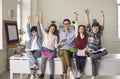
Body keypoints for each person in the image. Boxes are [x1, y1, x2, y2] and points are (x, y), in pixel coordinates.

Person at [85, 9, 108, 79]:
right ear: (92, 28)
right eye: (94, 28)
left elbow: (103, 26)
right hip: (91, 51)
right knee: (93, 61)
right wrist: (87, 15)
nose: (96, 29)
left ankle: (91, 58)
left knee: (106, 51)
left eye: (97, 28)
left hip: (98, 51)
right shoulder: (89, 32)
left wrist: (103, 17)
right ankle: (93, 75)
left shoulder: (99, 33)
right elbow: (87, 24)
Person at [38, 13, 58, 79]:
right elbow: (41, 25)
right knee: (43, 60)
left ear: (55, 30)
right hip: (46, 50)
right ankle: (42, 74)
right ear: (49, 28)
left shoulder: (55, 36)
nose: (52, 29)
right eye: (51, 28)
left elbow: (55, 46)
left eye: (54, 29)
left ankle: (51, 75)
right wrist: (41, 16)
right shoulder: (45, 34)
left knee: (50, 59)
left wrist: (60, 42)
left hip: (52, 51)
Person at [74, 12, 87, 79]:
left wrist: (84, 50)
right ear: (78, 30)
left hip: (83, 51)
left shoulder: (85, 36)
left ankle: (80, 73)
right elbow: (76, 25)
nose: (81, 30)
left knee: (83, 59)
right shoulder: (76, 35)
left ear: (84, 30)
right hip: (76, 50)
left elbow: (86, 45)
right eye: (80, 29)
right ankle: (80, 72)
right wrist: (76, 17)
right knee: (77, 59)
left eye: (82, 29)